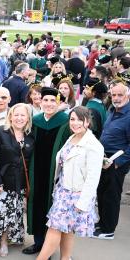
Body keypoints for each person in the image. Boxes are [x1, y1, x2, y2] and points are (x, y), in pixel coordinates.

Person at [37, 106, 104, 260]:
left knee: (54, 228)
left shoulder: (93, 145)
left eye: (80, 119)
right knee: (66, 230)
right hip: (62, 191)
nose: (75, 123)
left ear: (87, 122)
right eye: (72, 119)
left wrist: (83, 203)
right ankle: (65, 258)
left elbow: (92, 179)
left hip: (76, 195)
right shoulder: (72, 137)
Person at [0, 103, 35, 258]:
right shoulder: (0, 132)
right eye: (16, 114)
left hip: (18, 184)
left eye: (22, 115)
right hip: (0, 182)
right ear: (10, 116)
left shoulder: (30, 136)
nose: (19, 118)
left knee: (11, 215)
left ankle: (4, 241)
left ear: (27, 118)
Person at [24, 87, 71, 255]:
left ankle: (49, 248)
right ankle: (38, 243)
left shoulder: (66, 122)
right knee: (37, 205)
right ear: (40, 102)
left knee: (52, 208)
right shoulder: (35, 120)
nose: (49, 104)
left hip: (56, 174)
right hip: (36, 171)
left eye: (53, 100)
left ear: (58, 102)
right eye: (46, 100)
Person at [94, 80, 130, 240]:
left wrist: (117, 163)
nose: (116, 98)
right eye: (113, 94)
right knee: (101, 192)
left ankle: (108, 230)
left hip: (116, 161)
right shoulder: (112, 110)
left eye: (120, 95)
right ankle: (103, 223)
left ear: (127, 95)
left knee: (111, 196)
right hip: (104, 159)